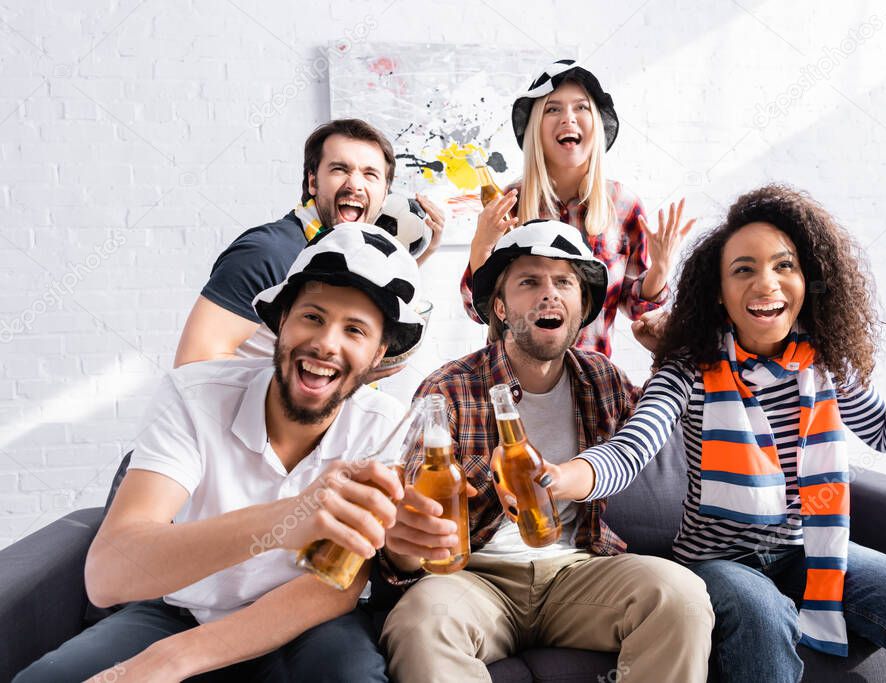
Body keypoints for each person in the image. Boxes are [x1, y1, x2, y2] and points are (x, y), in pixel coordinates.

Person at [548, 185, 886, 681]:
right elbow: (633, 447)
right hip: (716, 561)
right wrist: (567, 477)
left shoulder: (821, 363)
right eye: (744, 269)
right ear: (719, 290)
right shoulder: (689, 367)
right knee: (761, 615)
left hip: (809, 549)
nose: (766, 283)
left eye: (784, 266)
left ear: (807, 279)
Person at [16, 224, 427, 682]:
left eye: (355, 330)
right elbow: (108, 575)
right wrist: (288, 518)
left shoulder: (386, 427)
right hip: (181, 610)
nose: (327, 343)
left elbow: (336, 586)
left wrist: (174, 659)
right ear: (281, 323)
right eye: (312, 317)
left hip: (303, 623)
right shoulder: (194, 396)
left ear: (378, 354)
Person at [378, 220, 714, 682]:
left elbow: (674, 428)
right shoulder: (449, 388)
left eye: (564, 282)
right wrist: (408, 533)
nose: (549, 294)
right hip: (475, 578)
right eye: (529, 282)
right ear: (499, 306)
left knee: (682, 596)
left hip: (576, 573)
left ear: (583, 305)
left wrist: (664, 354)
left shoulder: (603, 379)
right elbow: (412, 516)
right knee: (419, 624)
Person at [460, 59, 693, 358]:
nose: (568, 118)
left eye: (581, 107)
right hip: (515, 381)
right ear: (535, 128)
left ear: (596, 122)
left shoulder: (624, 205)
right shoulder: (510, 201)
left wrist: (660, 268)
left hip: (592, 386)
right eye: (553, 108)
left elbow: (637, 309)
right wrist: (481, 245)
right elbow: (478, 309)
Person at [174, 118, 446, 368]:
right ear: (313, 182)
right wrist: (330, 378)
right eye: (340, 169)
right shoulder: (267, 253)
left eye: (370, 174)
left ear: (385, 194)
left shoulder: (350, 256)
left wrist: (418, 257)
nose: (355, 185)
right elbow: (194, 364)